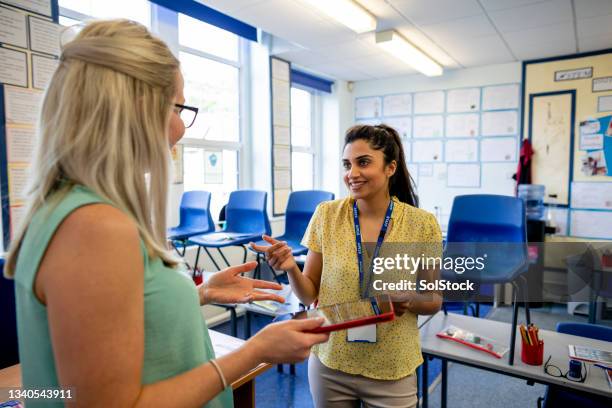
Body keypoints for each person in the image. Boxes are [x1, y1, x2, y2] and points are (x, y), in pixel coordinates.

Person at [4, 20, 328, 408]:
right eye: (179, 107)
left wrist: (201, 293)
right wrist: (255, 351)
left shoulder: (68, 209)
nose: (181, 127)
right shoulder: (94, 227)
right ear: (138, 107)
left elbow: (111, 327)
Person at [251, 124, 443, 408]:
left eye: (363, 162)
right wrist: (291, 267)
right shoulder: (327, 215)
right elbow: (308, 295)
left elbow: (433, 300)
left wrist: (409, 299)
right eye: (347, 164)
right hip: (331, 361)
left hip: (392, 366)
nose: (352, 173)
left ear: (390, 168)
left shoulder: (421, 224)